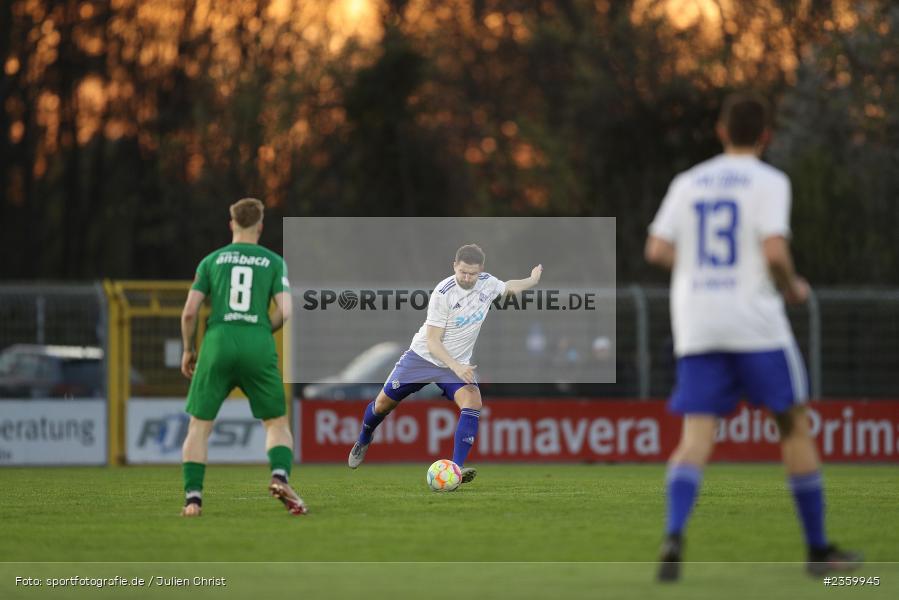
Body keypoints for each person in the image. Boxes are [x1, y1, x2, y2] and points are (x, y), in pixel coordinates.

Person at [645, 93, 861, 581]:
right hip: (755, 323)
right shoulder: (769, 181)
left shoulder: (688, 181)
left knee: (697, 435)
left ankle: (674, 534)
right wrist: (793, 286)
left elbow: (657, 248)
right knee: (792, 427)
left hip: (698, 323)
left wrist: (698, 272)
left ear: (721, 131)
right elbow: (775, 253)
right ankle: (818, 552)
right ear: (766, 135)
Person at [348, 244, 542, 483]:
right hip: (422, 358)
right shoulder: (443, 292)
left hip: (456, 363)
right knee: (382, 405)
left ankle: (456, 471)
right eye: (463, 272)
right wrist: (456, 366)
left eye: (472, 273)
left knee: (473, 402)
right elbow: (432, 342)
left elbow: (508, 288)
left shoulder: (487, 283)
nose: (467, 277)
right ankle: (365, 437)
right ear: (454, 266)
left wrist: (531, 280)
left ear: (481, 270)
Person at [179, 198, 306, 517]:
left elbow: (189, 312)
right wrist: (264, 329)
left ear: (232, 224)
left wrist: (188, 349)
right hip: (257, 340)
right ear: (260, 226)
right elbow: (287, 310)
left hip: (218, 341)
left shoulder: (211, 261)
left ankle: (193, 500)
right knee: (276, 421)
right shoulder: (274, 262)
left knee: (199, 426)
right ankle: (279, 476)